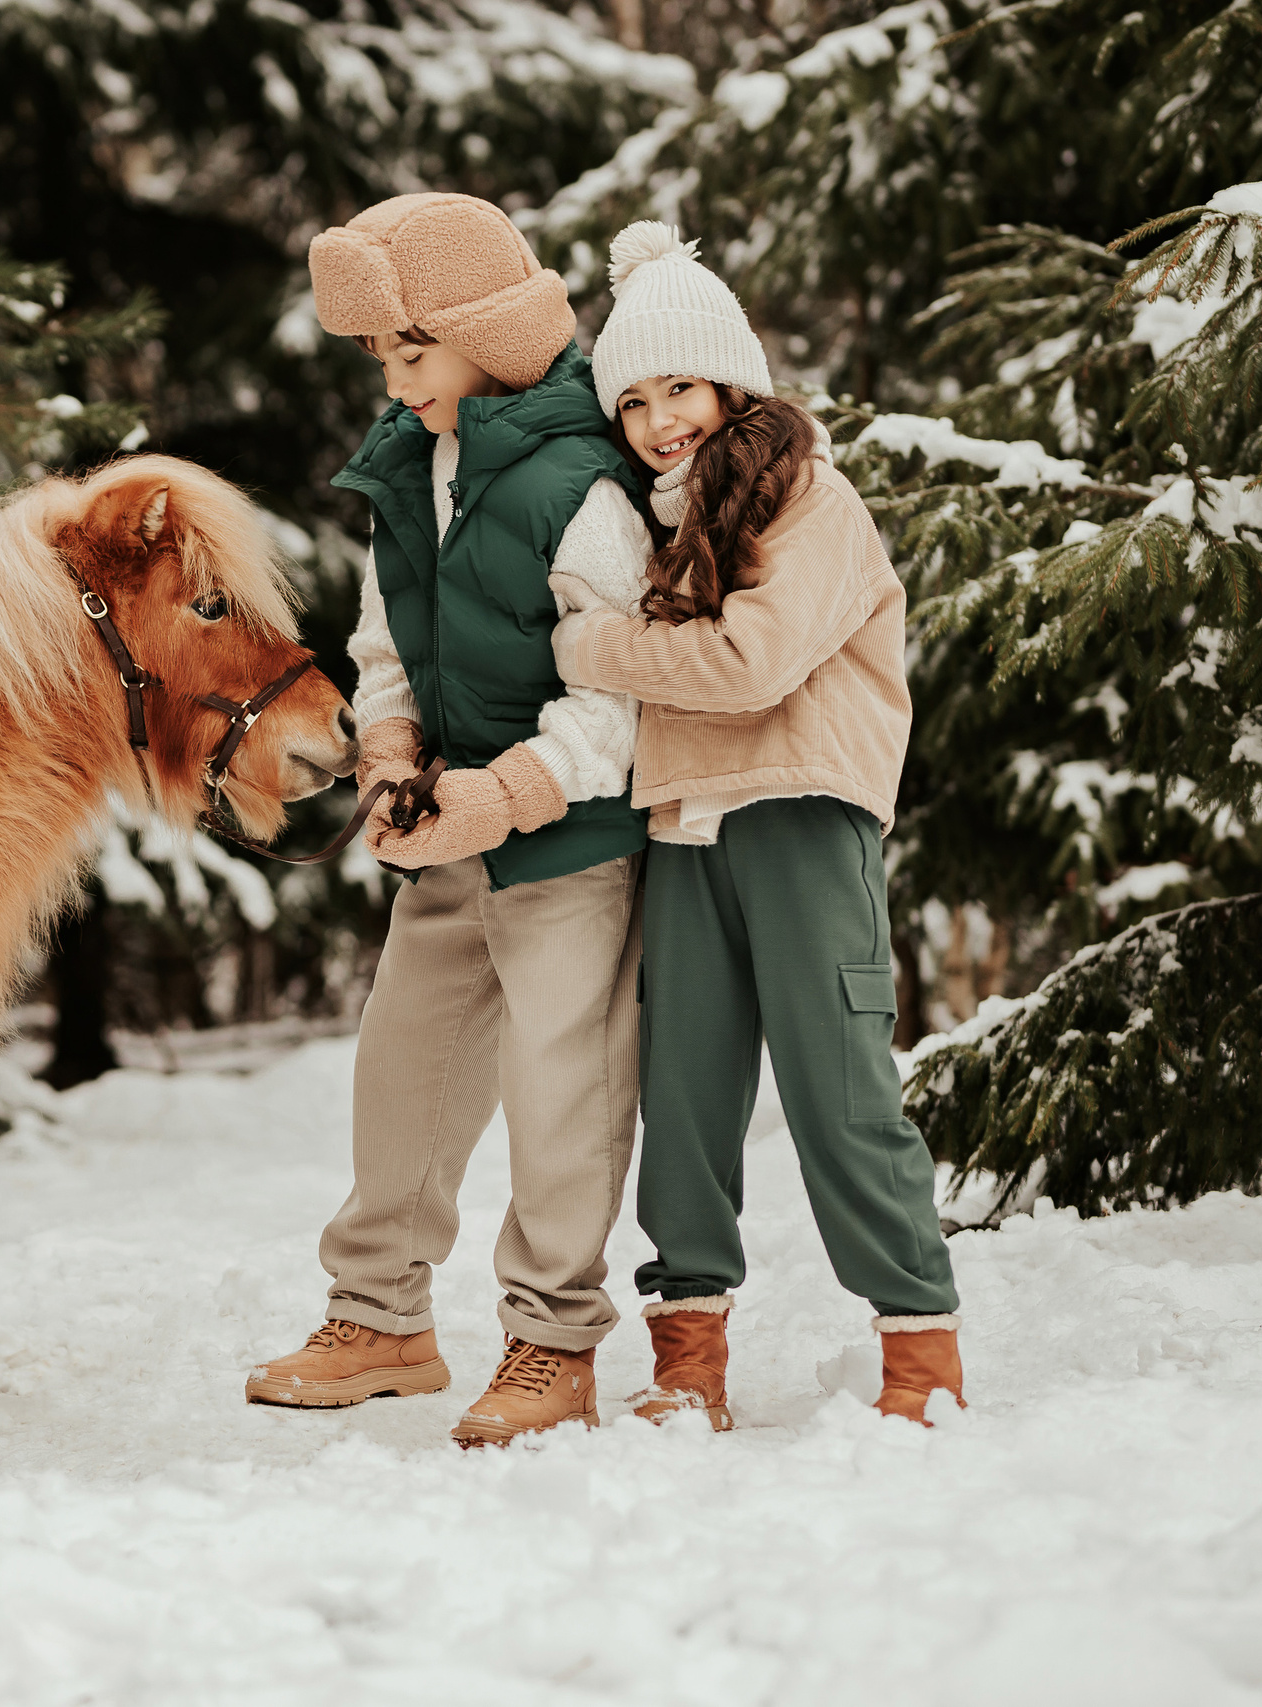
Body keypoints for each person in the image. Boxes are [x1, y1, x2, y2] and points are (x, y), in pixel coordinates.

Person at [244, 192, 655, 1447]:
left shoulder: (581, 485)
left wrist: (505, 793)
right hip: (446, 833)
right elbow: (384, 640)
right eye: (378, 355)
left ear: (491, 336)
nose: (394, 377)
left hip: (569, 838)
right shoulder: (412, 463)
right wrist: (391, 754)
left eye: (410, 351)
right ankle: (381, 1319)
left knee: (558, 1090)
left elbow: (623, 694)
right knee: (401, 1070)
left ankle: (549, 1341)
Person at [551, 222, 965, 1430]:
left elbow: (749, 663)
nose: (656, 419)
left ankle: (918, 1358)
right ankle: (687, 1360)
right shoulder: (662, 523)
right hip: (683, 824)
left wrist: (585, 644)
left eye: (677, 386)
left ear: (732, 382)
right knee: (682, 1092)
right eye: (630, 400)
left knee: (837, 1087)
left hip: (797, 808)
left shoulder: (809, 500)